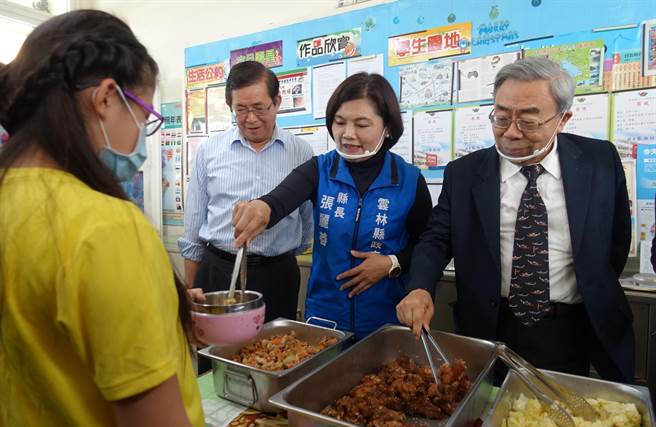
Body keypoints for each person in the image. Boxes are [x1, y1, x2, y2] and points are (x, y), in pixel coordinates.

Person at [0, 10, 205, 427]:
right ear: (107, 98)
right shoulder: (105, 227)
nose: (140, 142)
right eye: (144, 117)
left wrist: (162, 303)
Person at [397, 57, 634, 383]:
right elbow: (437, 238)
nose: (510, 132)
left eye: (528, 121)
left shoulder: (599, 161)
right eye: (501, 117)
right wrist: (420, 287)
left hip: (571, 326)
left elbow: (616, 241)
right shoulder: (464, 173)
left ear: (562, 119)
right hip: (490, 325)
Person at [232, 73, 432, 340]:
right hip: (326, 318)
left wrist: (391, 263)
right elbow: (279, 199)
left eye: (362, 124)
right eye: (339, 122)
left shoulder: (409, 180)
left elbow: (428, 246)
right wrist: (261, 208)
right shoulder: (319, 170)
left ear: (388, 127)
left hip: (386, 320)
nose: (347, 134)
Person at [179, 61, 313, 323]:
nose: (250, 118)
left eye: (259, 108)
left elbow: (306, 223)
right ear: (230, 105)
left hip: (277, 275)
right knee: (214, 347)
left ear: (276, 102)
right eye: (241, 109)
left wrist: (280, 254)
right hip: (218, 271)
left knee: (278, 346)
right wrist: (189, 292)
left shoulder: (301, 152)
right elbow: (193, 231)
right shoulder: (209, 151)